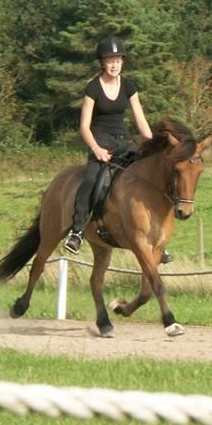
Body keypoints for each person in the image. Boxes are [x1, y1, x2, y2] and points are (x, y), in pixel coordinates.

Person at [63, 35, 171, 263]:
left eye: (118, 61)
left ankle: (154, 237)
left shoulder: (129, 86)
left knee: (144, 176)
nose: (114, 65)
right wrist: (96, 149)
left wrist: (153, 143)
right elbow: (84, 126)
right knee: (92, 180)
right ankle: (78, 231)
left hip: (124, 141)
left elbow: (140, 120)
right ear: (102, 63)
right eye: (110, 61)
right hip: (100, 141)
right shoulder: (92, 88)